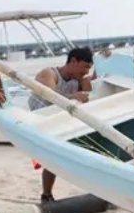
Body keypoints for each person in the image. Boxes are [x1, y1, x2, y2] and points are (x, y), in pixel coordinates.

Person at [29, 47, 94, 202]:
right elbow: (51, 95)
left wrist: (85, 82)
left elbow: (90, 98)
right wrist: (73, 96)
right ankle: (46, 195)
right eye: (84, 67)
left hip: (63, 122)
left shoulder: (78, 79)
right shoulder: (49, 73)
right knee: (51, 161)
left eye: (89, 68)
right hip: (41, 123)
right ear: (73, 61)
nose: (86, 71)